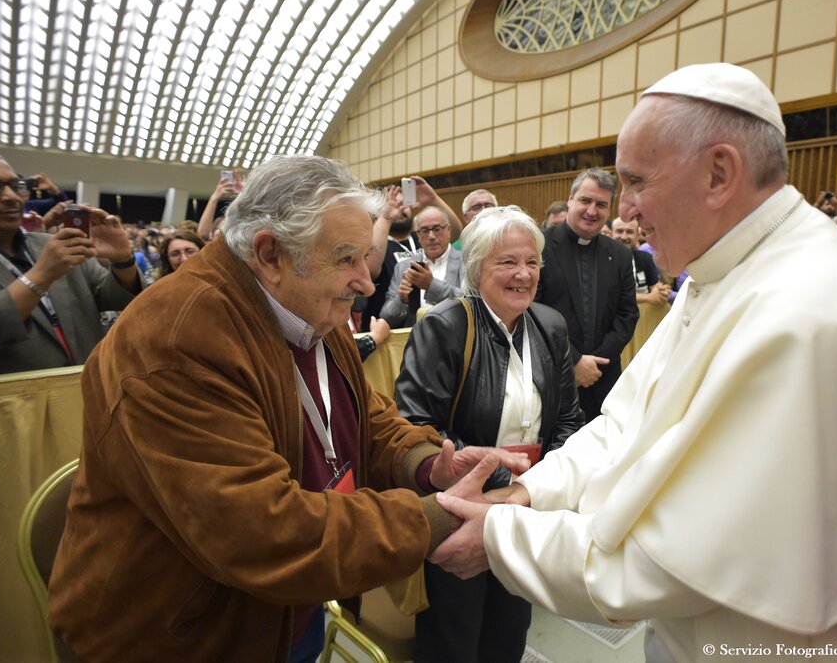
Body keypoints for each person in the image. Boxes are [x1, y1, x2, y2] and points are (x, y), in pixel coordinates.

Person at [430, 64, 837, 662]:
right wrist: (527, 493)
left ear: (719, 173)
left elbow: (674, 557)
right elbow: (626, 423)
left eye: (636, 181)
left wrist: (501, 538)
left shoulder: (806, 314)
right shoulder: (723, 270)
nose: (626, 211)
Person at [47, 155, 529, 662]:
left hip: (285, 610)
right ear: (270, 254)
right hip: (185, 634)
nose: (366, 282)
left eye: (363, 257)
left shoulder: (308, 306)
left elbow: (366, 417)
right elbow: (257, 532)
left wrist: (429, 464)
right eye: (345, 259)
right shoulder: (172, 340)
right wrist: (435, 519)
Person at [394, 206, 585, 663]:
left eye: (532, 262)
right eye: (507, 263)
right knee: (453, 640)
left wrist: (531, 491)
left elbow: (568, 420)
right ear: (477, 267)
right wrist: (501, 486)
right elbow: (417, 427)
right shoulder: (444, 327)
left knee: (509, 631)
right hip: (461, 509)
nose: (523, 274)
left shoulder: (550, 325)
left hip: (524, 511)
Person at [0, 149, 142, 375]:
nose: (10, 196)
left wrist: (122, 261)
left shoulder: (57, 243)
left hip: (91, 385)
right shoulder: (57, 251)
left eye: (15, 185)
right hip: (17, 402)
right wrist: (40, 276)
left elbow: (113, 298)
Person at [536, 168, 639, 422]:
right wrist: (574, 361)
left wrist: (596, 364)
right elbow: (533, 308)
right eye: (585, 200)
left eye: (601, 204)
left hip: (604, 380)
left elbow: (627, 314)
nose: (592, 211)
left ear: (609, 210)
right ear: (571, 199)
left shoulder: (621, 254)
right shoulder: (540, 246)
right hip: (553, 378)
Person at [380, 206, 465, 328]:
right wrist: (402, 300)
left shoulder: (466, 261)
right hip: (416, 340)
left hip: (457, 335)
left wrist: (431, 285)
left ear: (449, 230)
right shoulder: (403, 266)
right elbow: (385, 317)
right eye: (424, 230)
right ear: (418, 236)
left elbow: (472, 302)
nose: (431, 236)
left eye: (437, 229)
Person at [612, 216, 669, 305]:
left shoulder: (644, 258)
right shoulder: (601, 259)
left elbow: (655, 288)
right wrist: (648, 298)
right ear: (611, 233)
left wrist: (661, 291)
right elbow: (610, 295)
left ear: (637, 236)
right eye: (619, 231)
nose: (624, 237)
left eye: (629, 232)